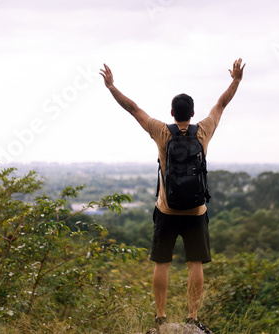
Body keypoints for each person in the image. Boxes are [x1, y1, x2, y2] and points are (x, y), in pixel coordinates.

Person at [100, 59, 245, 333]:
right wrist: (235, 80)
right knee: (195, 263)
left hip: (167, 210)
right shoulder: (203, 131)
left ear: (171, 112)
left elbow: (133, 109)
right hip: (196, 211)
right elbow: (221, 104)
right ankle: (192, 317)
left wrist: (111, 86)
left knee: (162, 263)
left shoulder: (160, 131)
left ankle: (161, 318)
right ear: (192, 113)